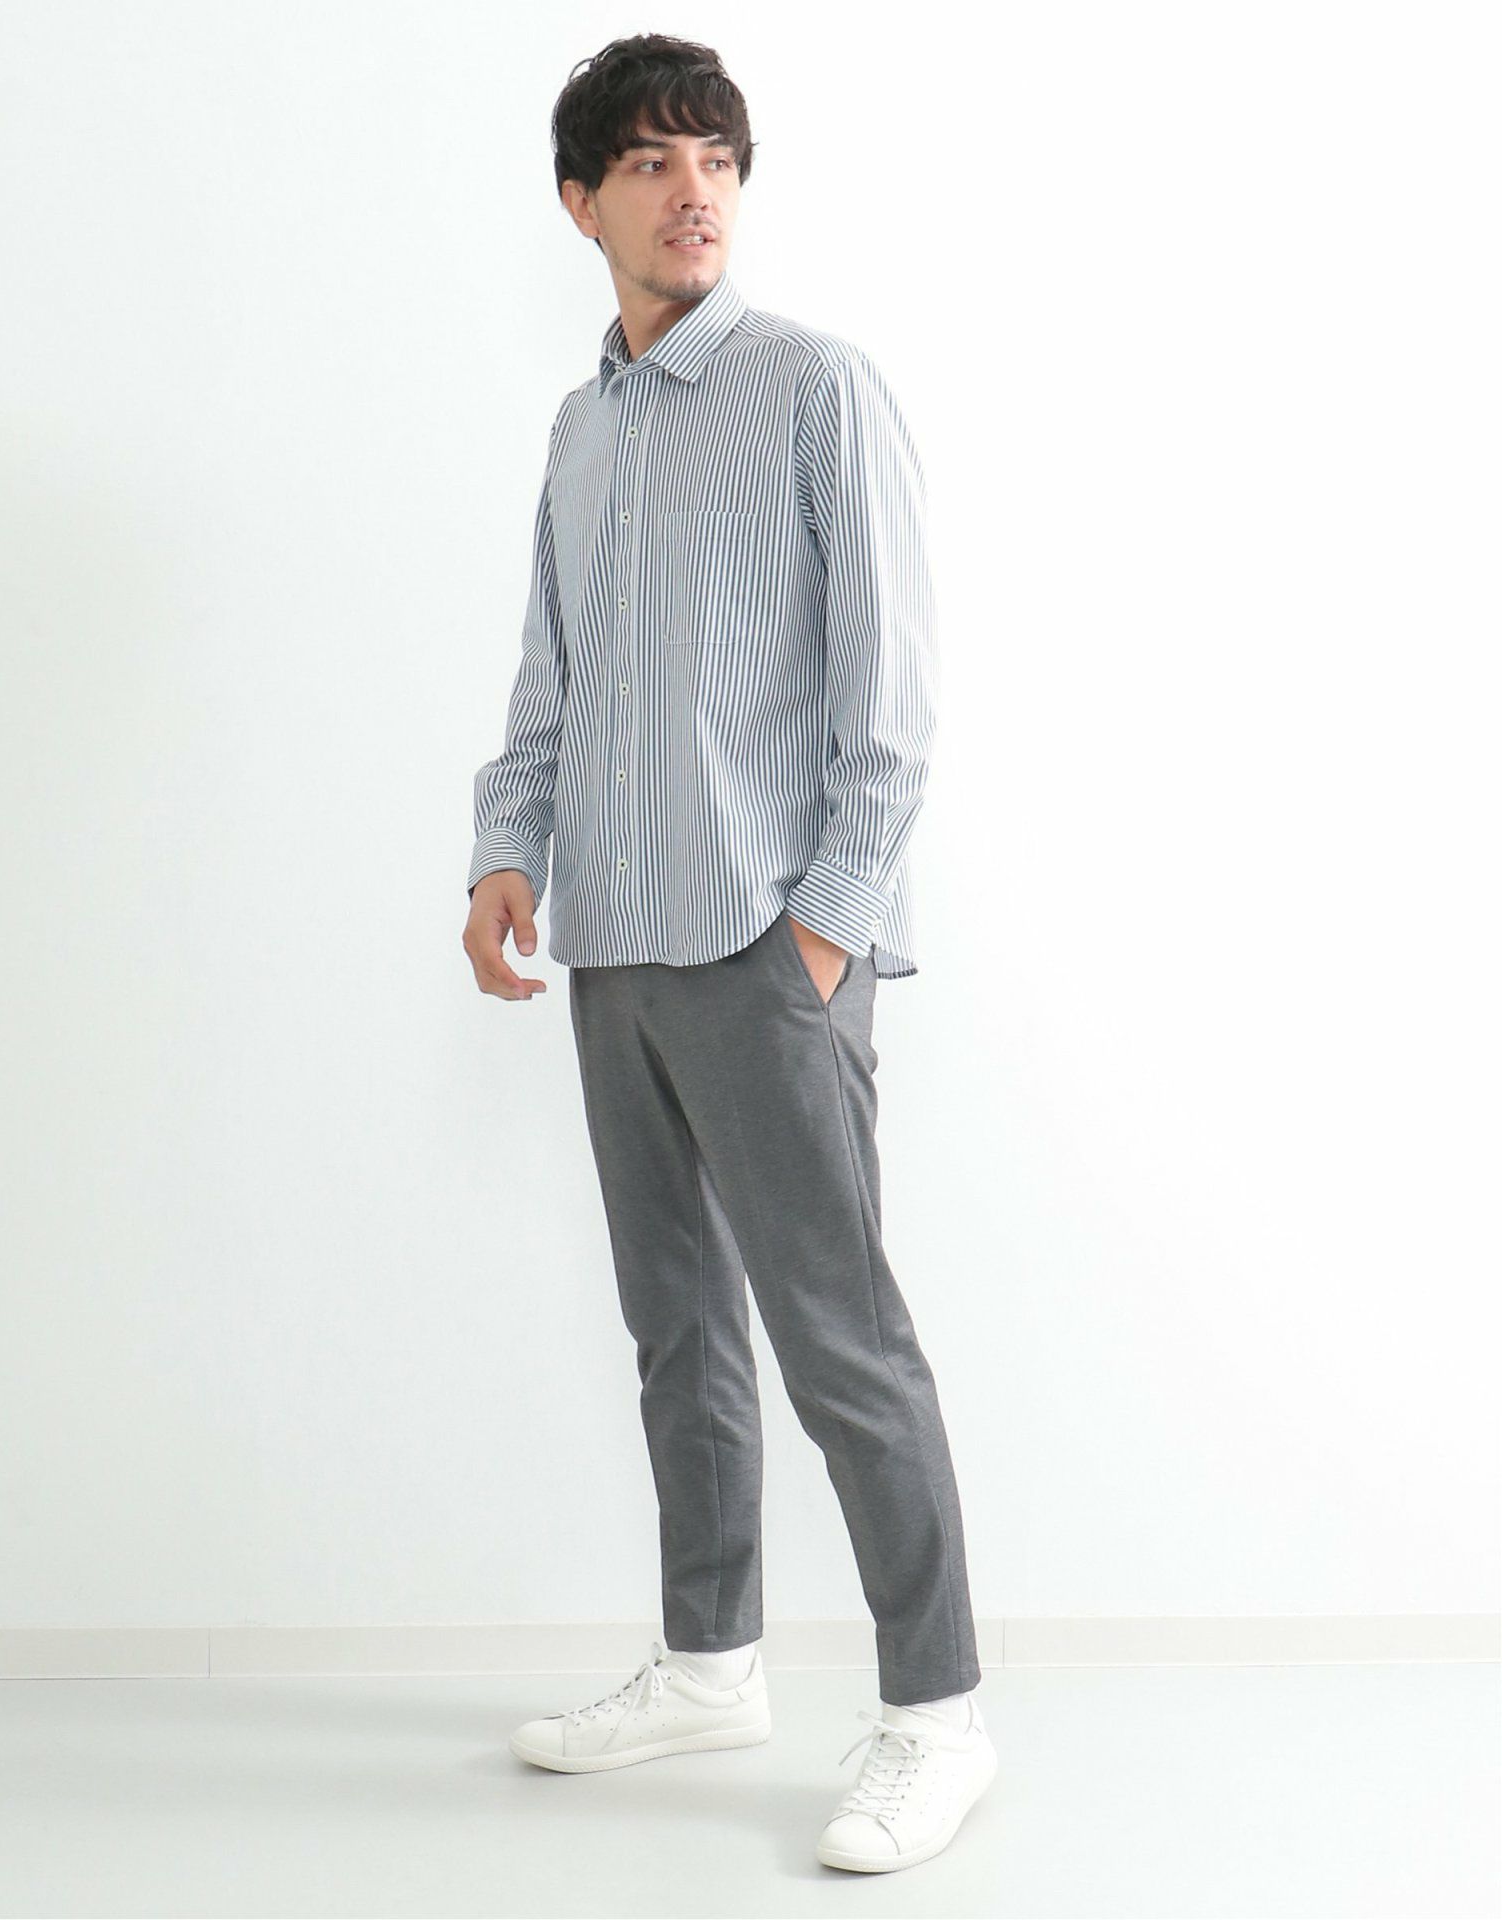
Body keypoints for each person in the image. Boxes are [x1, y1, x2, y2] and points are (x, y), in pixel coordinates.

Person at [461, 33, 997, 1875]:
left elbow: (893, 700)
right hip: (612, 943)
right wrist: (508, 850)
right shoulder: (581, 429)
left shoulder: (815, 388)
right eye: (651, 162)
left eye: (717, 159)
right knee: (677, 1330)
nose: (694, 191)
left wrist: (823, 936)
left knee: (842, 1341)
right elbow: (550, 679)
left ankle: (937, 1715)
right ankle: (710, 1663)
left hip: (772, 946)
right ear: (581, 202)